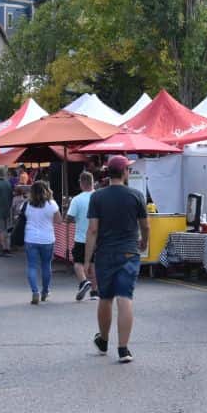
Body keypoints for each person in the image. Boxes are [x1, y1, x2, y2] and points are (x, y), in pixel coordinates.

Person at [84, 155, 148, 363]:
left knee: (105, 297)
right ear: (124, 173)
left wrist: (87, 260)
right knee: (125, 297)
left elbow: (93, 230)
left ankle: (103, 340)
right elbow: (145, 226)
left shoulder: (97, 197)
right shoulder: (136, 196)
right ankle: (123, 349)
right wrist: (144, 242)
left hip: (105, 253)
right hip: (129, 252)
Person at [24, 180, 61, 304]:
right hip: (47, 239)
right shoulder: (52, 204)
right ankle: (45, 291)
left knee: (32, 266)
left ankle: (35, 292)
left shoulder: (28, 204)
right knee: (46, 265)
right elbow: (58, 221)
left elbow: (24, 216)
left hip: (31, 238)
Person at [66, 171, 97, 300]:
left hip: (81, 237)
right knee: (94, 264)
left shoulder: (77, 199)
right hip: (97, 237)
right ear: (92, 182)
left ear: (82, 183)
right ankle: (95, 292)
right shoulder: (99, 196)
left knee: (78, 262)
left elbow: (69, 218)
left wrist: (76, 219)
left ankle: (84, 281)